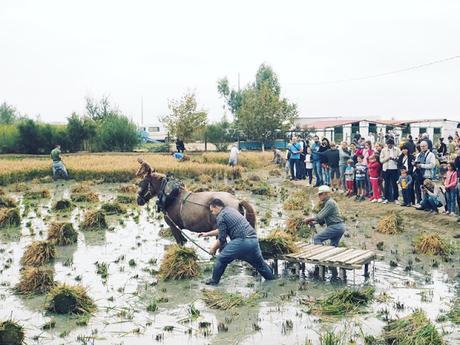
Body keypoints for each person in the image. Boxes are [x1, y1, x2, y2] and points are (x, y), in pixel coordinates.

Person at [199, 198, 274, 285]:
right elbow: (221, 230)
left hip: (242, 241)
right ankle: (272, 281)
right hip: (253, 241)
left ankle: (214, 281)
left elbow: (222, 238)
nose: (212, 213)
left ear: (216, 207)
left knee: (221, 259)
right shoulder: (230, 210)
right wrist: (207, 234)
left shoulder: (221, 216)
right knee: (261, 266)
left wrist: (214, 248)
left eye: (212, 210)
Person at [413, 141, 436, 205]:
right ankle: (420, 203)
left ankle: (429, 206)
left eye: (424, 146)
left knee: (427, 191)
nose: (422, 147)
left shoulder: (431, 154)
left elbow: (432, 165)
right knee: (418, 190)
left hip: (427, 175)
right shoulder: (418, 155)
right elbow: (416, 163)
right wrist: (415, 165)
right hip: (418, 175)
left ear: (427, 146)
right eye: (421, 146)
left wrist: (421, 165)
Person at [380, 138, 400, 204]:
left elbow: (399, 159)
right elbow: (381, 160)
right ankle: (386, 198)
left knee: (394, 184)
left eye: (390, 144)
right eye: (388, 144)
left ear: (393, 144)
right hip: (386, 169)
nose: (389, 146)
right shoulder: (383, 150)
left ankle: (396, 198)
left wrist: (395, 159)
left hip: (394, 168)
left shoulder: (397, 150)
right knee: (386, 184)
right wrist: (387, 158)